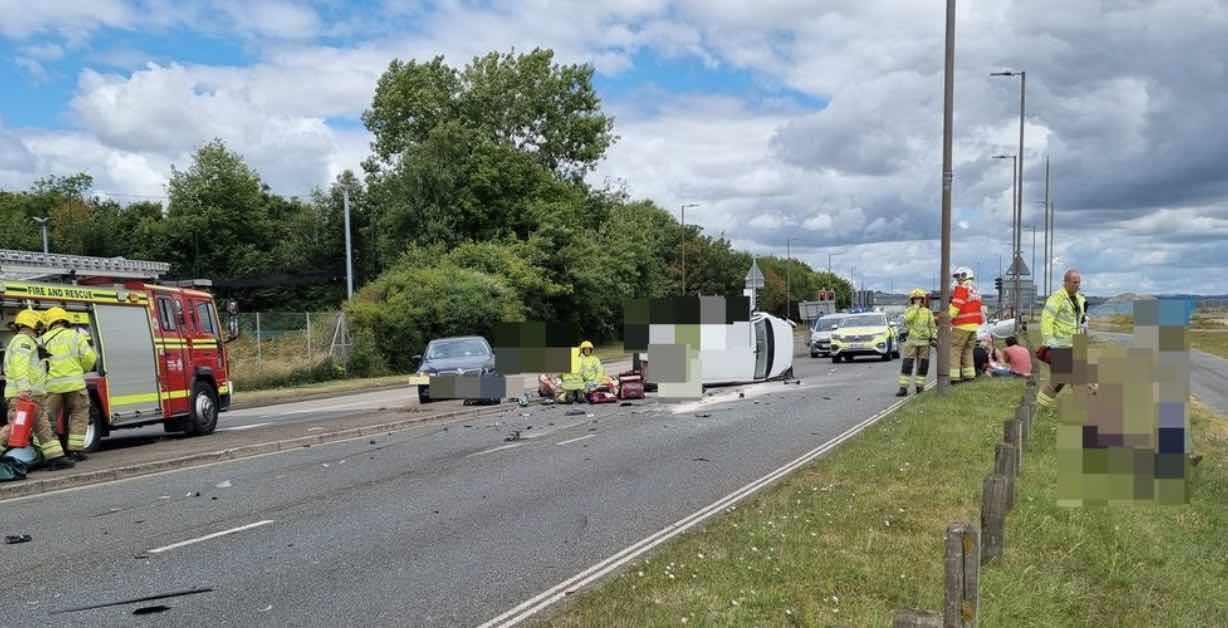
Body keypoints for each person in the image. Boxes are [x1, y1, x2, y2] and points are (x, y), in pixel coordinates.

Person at [1, 310, 74, 469]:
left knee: (43, 426)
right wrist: (23, 389)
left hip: (35, 395)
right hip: (24, 395)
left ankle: (55, 458)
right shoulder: (23, 341)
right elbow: (20, 366)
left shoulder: (28, 340)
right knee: (15, 428)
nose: (40, 328)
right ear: (34, 324)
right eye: (39, 325)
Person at [39, 307, 97, 461]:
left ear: (49, 322)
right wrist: (82, 370)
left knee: (47, 419)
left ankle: (51, 454)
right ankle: (76, 451)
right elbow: (90, 358)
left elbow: (37, 366)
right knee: (79, 415)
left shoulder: (42, 340)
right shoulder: (75, 337)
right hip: (75, 385)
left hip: (52, 387)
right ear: (65, 320)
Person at [1037, 269, 1087, 411]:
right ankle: (1040, 405)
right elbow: (1047, 319)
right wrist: (1049, 341)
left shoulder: (1079, 298)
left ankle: (1083, 406)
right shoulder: (1057, 298)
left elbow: (1079, 320)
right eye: (1074, 282)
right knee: (1061, 379)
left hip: (1076, 343)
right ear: (1065, 282)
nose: (1078, 285)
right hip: (1060, 344)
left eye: (1079, 282)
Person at [948, 266, 985, 383]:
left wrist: (946, 318)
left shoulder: (962, 288)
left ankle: (954, 378)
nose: (958, 280)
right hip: (973, 327)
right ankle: (969, 376)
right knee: (968, 351)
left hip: (961, 326)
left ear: (965, 276)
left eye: (959, 277)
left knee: (955, 350)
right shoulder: (975, 290)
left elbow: (956, 306)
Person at [897, 289, 936, 396]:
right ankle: (903, 388)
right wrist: (915, 308)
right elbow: (907, 320)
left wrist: (934, 338)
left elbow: (932, 326)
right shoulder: (909, 310)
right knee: (907, 365)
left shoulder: (928, 312)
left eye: (919, 299)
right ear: (912, 300)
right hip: (911, 342)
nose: (917, 301)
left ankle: (920, 387)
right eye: (915, 299)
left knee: (923, 365)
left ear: (923, 299)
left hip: (924, 343)